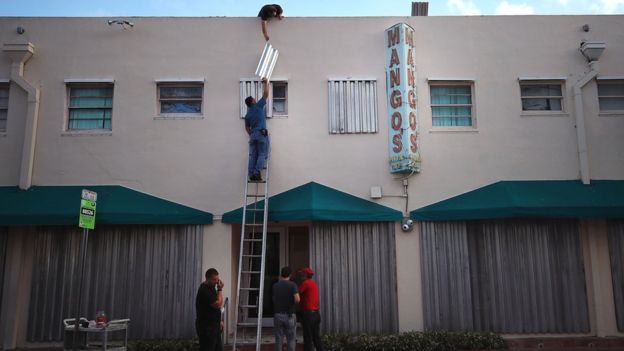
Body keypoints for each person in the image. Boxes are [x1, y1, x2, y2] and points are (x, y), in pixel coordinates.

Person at [244, 78, 270, 182]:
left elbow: (246, 128)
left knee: (253, 155)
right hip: (261, 134)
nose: (255, 99)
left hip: (253, 135)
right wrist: (266, 83)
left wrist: (251, 134)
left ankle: (251, 174)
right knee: (262, 154)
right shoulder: (258, 106)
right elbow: (266, 94)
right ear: (253, 102)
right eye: (254, 99)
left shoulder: (248, 114)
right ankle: (256, 172)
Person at [196, 268, 225, 351]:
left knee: (218, 349)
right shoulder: (204, 291)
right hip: (206, 328)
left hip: (214, 326)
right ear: (207, 278)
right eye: (214, 279)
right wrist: (219, 289)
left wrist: (219, 321)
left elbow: (214, 309)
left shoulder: (211, 287)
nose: (217, 281)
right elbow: (218, 304)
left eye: (217, 279)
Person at [272, 267, 300, 351]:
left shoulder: (275, 285)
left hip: (277, 315)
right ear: (290, 275)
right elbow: (297, 299)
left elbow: (274, 299)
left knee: (278, 338)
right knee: (291, 339)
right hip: (289, 315)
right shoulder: (292, 285)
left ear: (281, 274)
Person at [298, 267, 324, 351]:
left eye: (302, 274)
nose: (300, 276)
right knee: (316, 337)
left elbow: (296, 293)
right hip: (316, 313)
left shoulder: (305, 283)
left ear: (305, 275)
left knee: (308, 338)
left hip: (309, 315)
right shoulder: (313, 283)